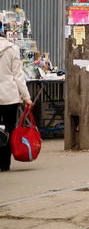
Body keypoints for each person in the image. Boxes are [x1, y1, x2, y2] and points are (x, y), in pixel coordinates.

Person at [0, 24, 33, 171]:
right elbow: (18, 75)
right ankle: (5, 162)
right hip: (9, 95)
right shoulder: (12, 48)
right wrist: (26, 97)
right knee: (9, 127)